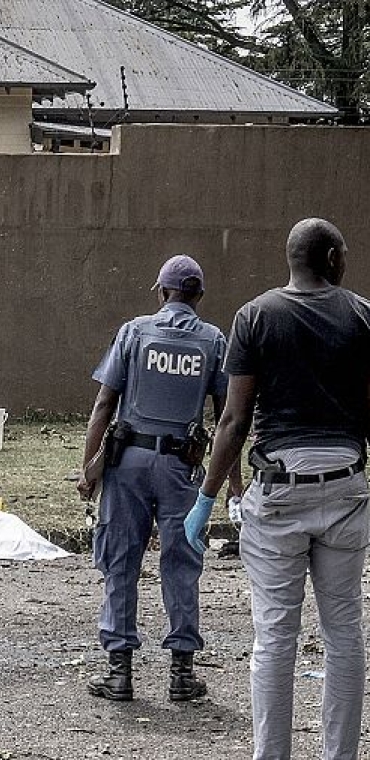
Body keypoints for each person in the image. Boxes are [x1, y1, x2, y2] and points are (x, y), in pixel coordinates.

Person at [185, 218, 370, 760]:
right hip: (345, 488)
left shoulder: (254, 316)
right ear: (333, 257)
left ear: (291, 260)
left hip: (279, 489)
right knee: (344, 633)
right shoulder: (362, 315)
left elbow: (234, 421)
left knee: (274, 638)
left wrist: (204, 499)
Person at [78, 254, 239, 702]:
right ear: (199, 296)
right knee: (182, 564)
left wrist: (87, 467)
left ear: (162, 291)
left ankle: (119, 673)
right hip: (180, 468)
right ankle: (182, 675)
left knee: (120, 562)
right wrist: (233, 483)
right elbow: (229, 417)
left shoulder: (133, 332)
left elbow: (104, 404)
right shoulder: (212, 340)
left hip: (127, 463)